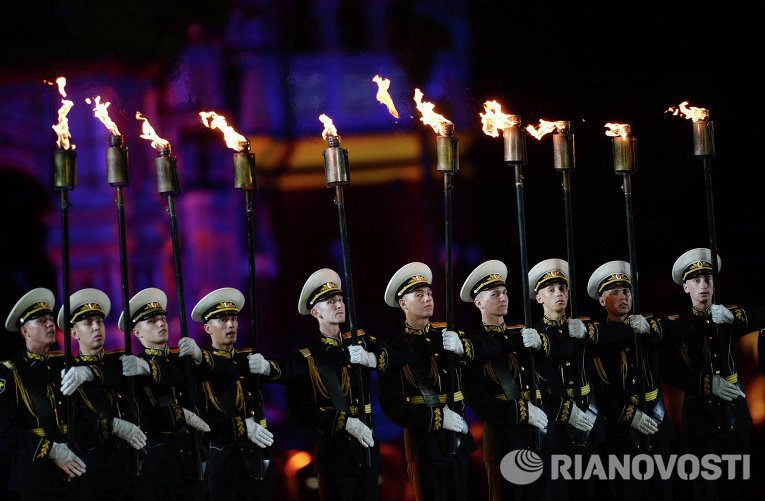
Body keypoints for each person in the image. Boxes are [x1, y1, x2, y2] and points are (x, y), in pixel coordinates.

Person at [250, 268, 379, 500]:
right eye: (331, 301)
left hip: (367, 449)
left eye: (340, 299)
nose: (339, 305)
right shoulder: (308, 357)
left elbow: (392, 357)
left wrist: (372, 358)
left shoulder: (361, 342)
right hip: (334, 456)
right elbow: (300, 406)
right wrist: (266, 367)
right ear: (316, 311)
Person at [377, 262, 485, 501]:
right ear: (403, 304)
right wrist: (436, 418)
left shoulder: (449, 337)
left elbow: (474, 377)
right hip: (425, 445)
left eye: (429, 294)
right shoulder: (394, 349)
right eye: (419, 295)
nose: (428, 299)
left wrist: (463, 351)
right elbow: (391, 404)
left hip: (459, 439)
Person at [668, 248, 765, 501]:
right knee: (705, 489)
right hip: (700, 416)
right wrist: (705, 383)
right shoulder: (677, 325)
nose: (703, 285)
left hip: (734, 411)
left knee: (738, 487)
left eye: (708, 279)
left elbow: (760, 315)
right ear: (686, 287)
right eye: (696, 280)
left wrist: (734, 318)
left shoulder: (728, 315)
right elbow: (668, 370)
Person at [460, 260, 548, 501]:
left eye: (505, 292)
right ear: (478, 302)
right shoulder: (472, 346)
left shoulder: (523, 337)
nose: (503, 297)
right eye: (495, 293)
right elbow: (478, 401)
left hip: (537, 436)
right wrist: (520, 412)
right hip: (503, 439)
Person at [586, 260, 672, 501]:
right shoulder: (597, 340)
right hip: (621, 433)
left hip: (656, 426)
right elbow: (599, 387)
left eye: (626, 291)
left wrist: (651, 329)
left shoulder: (646, 331)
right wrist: (627, 414)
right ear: (602, 301)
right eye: (614, 293)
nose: (623, 297)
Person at [182, 287, 274, 500]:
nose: (231, 324)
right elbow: (204, 420)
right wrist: (242, 427)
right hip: (224, 461)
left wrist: (269, 366)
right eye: (222, 320)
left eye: (233, 318)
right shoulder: (197, 368)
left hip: (258, 458)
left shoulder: (247, 360)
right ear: (207, 328)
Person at [119, 287, 209, 501]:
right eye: (151, 321)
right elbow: (147, 413)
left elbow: (185, 380)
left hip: (195, 455)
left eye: (162, 318)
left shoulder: (182, 361)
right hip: (160, 462)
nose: (161, 324)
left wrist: (199, 356)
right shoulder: (134, 369)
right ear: (137, 333)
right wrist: (180, 414)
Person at [57, 288, 145, 499]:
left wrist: (91, 372)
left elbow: (116, 375)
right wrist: (111, 425)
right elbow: (74, 423)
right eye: (88, 323)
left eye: (99, 321)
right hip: (94, 472)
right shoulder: (68, 373)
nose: (96, 327)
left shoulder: (118, 362)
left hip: (132, 466)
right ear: (74, 333)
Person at [0, 287, 86, 499]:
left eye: (50, 318)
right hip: (35, 478)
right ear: (25, 331)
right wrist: (51, 450)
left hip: (74, 473)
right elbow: (6, 431)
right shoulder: (10, 372)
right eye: (40, 320)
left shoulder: (64, 364)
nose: (50, 323)